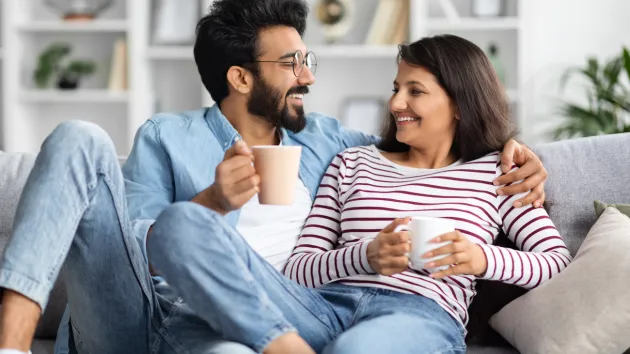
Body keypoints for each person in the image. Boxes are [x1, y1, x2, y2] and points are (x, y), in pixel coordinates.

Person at [0, 1, 548, 354]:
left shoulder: (330, 142)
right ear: (240, 77)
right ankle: (12, 345)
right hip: (141, 310)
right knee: (82, 138)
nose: (309, 75)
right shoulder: (166, 136)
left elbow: (420, 149)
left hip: (245, 325)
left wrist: (514, 151)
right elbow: (130, 247)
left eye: (307, 59)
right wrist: (213, 201)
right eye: (292, 63)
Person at [145, 34, 572, 354]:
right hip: (319, 309)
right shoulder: (353, 162)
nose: (395, 102)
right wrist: (365, 256)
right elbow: (298, 270)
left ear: (460, 102)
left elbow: (557, 264)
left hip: (416, 314)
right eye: (396, 87)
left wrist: (480, 258)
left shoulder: (497, 172)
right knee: (179, 222)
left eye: (415, 91)